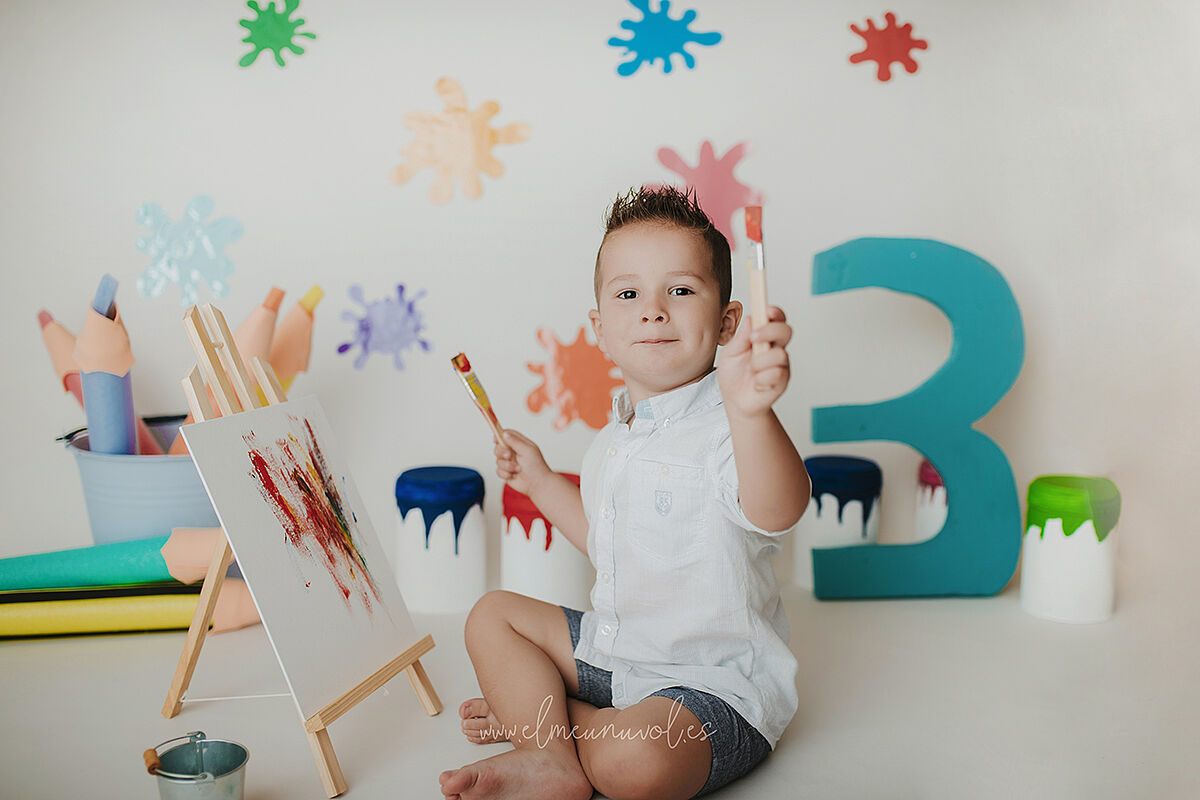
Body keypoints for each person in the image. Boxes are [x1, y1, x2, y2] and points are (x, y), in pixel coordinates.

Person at [439, 185, 810, 800]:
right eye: (629, 294)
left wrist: (753, 415)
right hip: (620, 656)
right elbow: (608, 545)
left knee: (633, 764)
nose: (654, 310)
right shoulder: (613, 439)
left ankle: (540, 726)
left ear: (728, 322)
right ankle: (553, 760)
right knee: (492, 615)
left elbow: (780, 509)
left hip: (713, 690)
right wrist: (538, 480)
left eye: (682, 291)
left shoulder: (731, 426)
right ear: (601, 329)